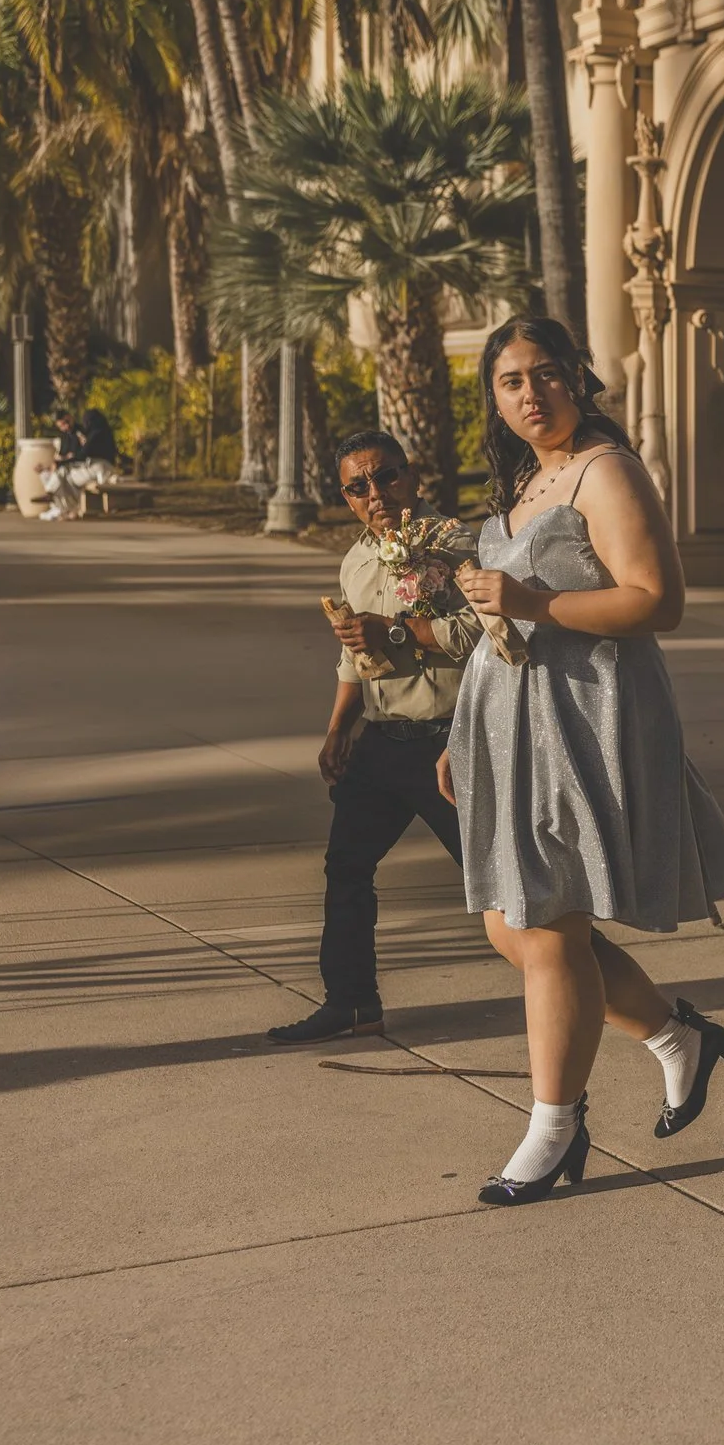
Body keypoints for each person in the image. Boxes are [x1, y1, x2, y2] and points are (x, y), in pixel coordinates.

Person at [441, 317, 724, 1205]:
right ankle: (675, 1039)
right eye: (510, 383)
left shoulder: (604, 470)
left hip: (590, 721)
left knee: (545, 928)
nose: (529, 394)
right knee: (516, 927)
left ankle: (555, 1127)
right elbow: (502, 621)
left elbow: (658, 602)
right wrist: (465, 738)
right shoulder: (528, 479)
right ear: (494, 401)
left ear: (578, 379)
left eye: (545, 375)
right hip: (515, 725)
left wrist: (534, 599)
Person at [268, 432, 478, 1043]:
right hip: (383, 742)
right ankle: (352, 1002)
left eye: (385, 477)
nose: (374, 493)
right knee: (347, 866)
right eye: (358, 486)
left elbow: (477, 633)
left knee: (503, 885)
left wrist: (398, 630)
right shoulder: (356, 560)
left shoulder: (457, 546)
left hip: (449, 745)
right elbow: (352, 656)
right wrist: (339, 727)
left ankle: (590, 981)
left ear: (410, 478)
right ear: (346, 497)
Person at [40, 408, 121, 521]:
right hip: (96, 466)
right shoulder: (102, 431)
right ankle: (65, 506)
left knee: (67, 475)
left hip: (99, 467)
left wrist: (62, 461)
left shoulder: (95, 433)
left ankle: (56, 498)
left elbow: (82, 454)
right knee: (64, 474)